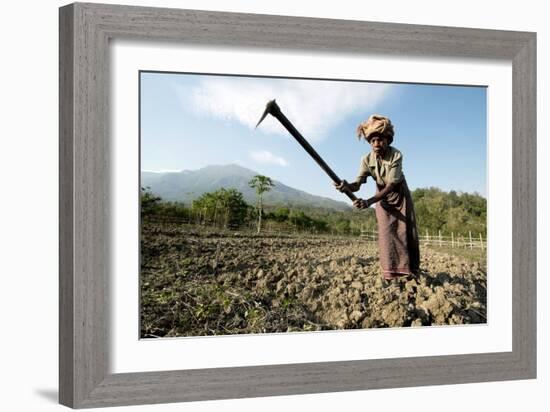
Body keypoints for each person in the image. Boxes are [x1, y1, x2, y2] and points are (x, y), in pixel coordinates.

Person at [335, 114, 420, 281]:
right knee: (386, 232)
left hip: (399, 195)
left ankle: (411, 270)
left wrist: (368, 201)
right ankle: (390, 273)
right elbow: (358, 183)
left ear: (387, 140)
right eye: (372, 141)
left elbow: (391, 185)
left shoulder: (396, 155)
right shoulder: (366, 159)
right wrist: (347, 186)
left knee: (407, 231)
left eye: (380, 139)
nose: (376, 144)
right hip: (381, 197)